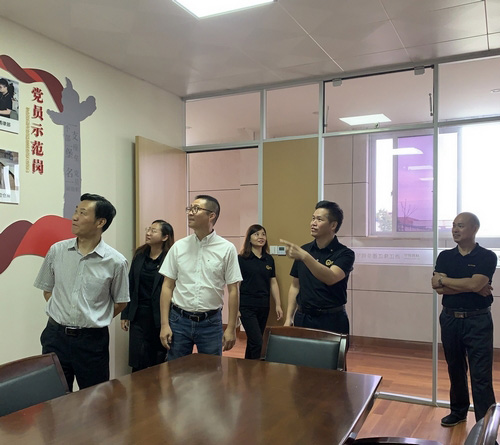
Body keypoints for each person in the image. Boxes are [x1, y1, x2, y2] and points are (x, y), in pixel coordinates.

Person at [34, 193, 130, 390]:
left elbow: (121, 302)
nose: (75, 217)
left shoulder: (116, 261)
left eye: (83, 213)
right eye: (76, 211)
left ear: (100, 222)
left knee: (95, 398)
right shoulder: (57, 251)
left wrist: (94, 317)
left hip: (92, 342)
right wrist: (63, 312)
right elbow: (47, 290)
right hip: (55, 337)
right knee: (54, 396)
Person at [432, 212, 497, 426]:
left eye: (460, 225)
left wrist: (446, 281)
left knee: (481, 376)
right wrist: (470, 286)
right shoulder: (445, 256)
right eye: (453, 225)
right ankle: (458, 412)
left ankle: (484, 427)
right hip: (450, 319)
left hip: (478, 321)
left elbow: (474, 284)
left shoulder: (487, 256)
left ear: (474, 229)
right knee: (455, 369)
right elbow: (437, 287)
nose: (454, 229)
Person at [158, 195, 242, 360]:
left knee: (211, 370)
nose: (190, 213)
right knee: (176, 370)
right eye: (189, 209)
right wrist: (164, 324)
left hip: (210, 322)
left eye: (196, 209)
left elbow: (233, 290)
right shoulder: (179, 247)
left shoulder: (227, 248)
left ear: (211, 215)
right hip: (179, 320)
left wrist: (231, 328)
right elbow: (167, 286)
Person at [282, 200, 354, 335]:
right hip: (303, 317)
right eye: (313, 218)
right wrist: (288, 318)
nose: (313, 223)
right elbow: (295, 286)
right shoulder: (304, 250)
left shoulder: (345, 254)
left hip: (332, 319)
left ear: (333, 225)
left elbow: (331, 277)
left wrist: (305, 257)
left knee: (332, 350)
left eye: (319, 219)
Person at [121, 220, 174, 372]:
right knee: (138, 359)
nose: (148, 233)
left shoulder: (169, 258)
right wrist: (125, 313)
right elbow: (130, 284)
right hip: (138, 315)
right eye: (148, 229)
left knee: (158, 359)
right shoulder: (140, 254)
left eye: (154, 231)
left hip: (160, 316)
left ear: (165, 237)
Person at [238, 224, 283, 359]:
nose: (261, 237)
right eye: (256, 234)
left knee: (254, 341)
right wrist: (236, 308)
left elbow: (273, 282)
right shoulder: (241, 258)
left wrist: (278, 304)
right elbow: (236, 284)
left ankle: (247, 367)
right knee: (257, 341)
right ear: (249, 238)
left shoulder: (269, 259)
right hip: (247, 306)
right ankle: (257, 367)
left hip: (263, 305)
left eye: (263, 234)